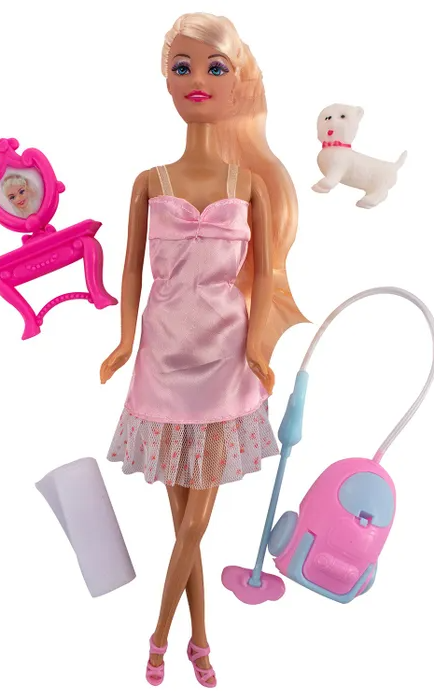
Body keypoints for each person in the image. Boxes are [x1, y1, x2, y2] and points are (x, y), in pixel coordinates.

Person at [100, 12, 307, 687]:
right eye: (182, 66)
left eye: (215, 67)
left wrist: (259, 349)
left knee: (194, 526)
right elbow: (130, 269)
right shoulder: (148, 181)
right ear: (166, 80)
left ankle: (160, 638)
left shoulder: (249, 185)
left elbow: (265, 278)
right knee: (182, 523)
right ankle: (202, 642)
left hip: (224, 364)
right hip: (162, 360)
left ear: (236, 82)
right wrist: (124, 340)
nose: (197, 79)